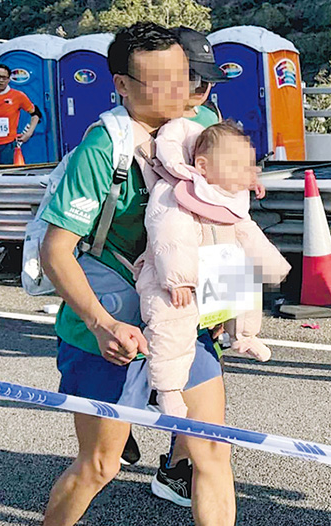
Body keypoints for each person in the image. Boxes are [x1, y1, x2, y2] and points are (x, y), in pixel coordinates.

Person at [39, 22, 235, 526]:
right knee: (99, 465)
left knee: (213, 455)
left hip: (181, 322)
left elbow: (225, 221)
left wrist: (225, 305)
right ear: (122, 85)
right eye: (159, 81)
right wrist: (102, 325)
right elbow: (55, 250)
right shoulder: (103, 148)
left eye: (182, 77)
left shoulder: (202, 126)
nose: (178, 91)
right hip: (110, 325)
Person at [138, 119, 291, 418]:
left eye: (248, 166)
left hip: (217, 264)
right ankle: (167, 389)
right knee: (171, 322)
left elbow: (246, 231)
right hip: (174, 276)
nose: (245, 172)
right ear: (203, 166)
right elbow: (170, 234)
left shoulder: (226, 196)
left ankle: (243, 335)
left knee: (244, 283)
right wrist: (178, 278)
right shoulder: (176, 191)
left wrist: (271, 266)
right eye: (236, 165)